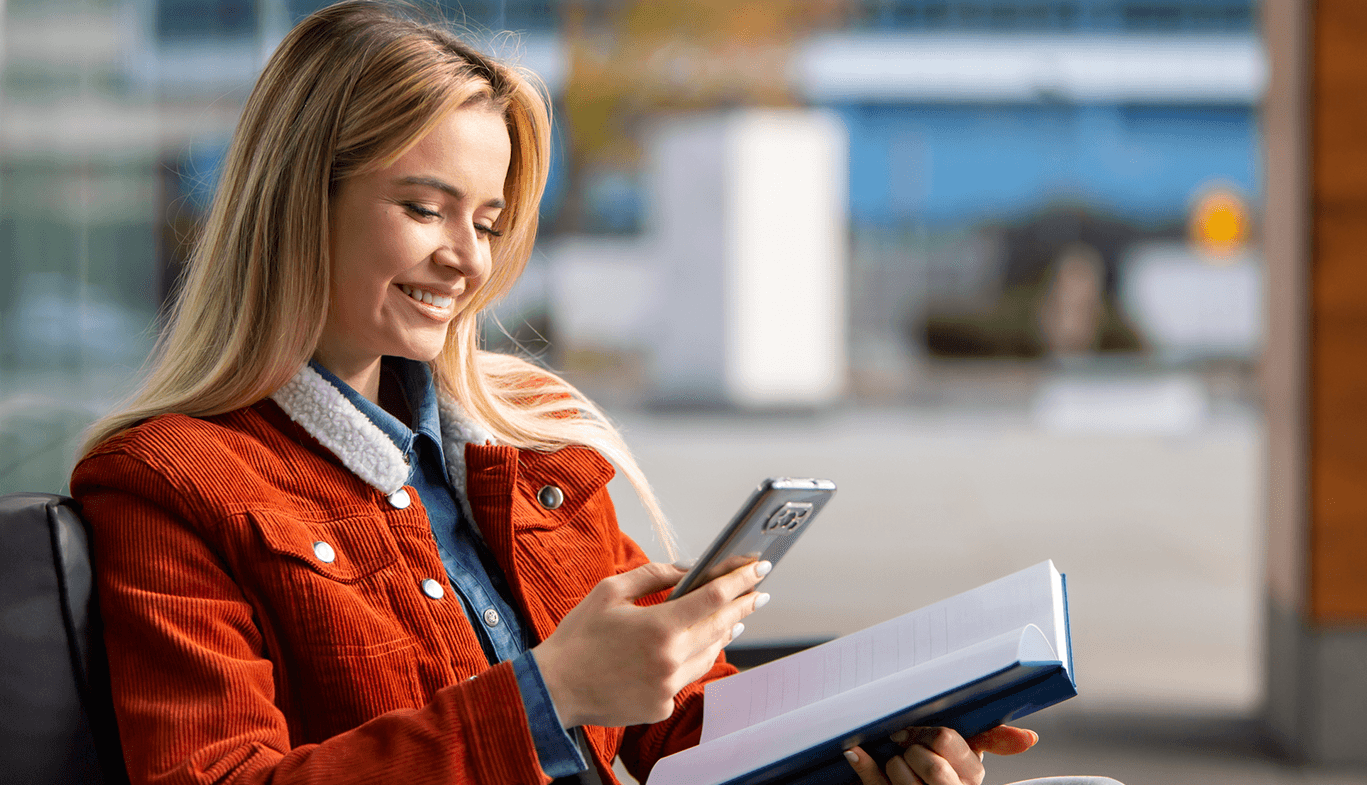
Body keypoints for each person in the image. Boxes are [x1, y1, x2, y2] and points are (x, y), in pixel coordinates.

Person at [70, 3, 1038, 784]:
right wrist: (550, 696)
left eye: (487, 220)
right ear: (296, 198)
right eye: (422, 207)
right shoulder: (170, 481)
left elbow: (679, 727)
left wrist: (875, 733)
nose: (466, 259)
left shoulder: (523, 443)